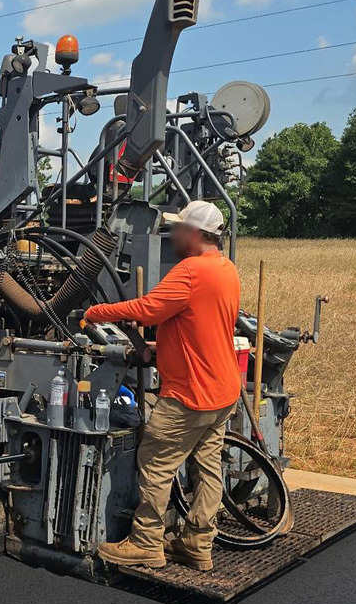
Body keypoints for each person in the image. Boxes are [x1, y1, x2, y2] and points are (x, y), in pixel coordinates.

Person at [83, 200, 241, 572]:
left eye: (179, 228)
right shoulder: (227, 269)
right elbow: (199, 324)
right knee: (207, 469)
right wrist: (162, 347)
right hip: (222, 391)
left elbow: (148, 310)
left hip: (189, 395)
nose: (173, 234)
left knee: (155, 463)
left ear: (196, 233)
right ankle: (197, 544)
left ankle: (145, 544)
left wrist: (95, 313)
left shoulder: (191, 270)